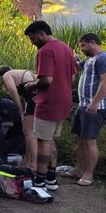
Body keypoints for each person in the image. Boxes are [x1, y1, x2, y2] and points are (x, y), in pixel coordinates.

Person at [21, 21, 77, 190]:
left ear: (41, 34)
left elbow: (46, 80)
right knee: (51, 139)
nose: (32, 43)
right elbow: (72, 78)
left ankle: (39, 181)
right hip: (64, 100)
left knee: (43, 142)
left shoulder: (45, 50)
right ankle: (51, 179)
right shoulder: (67, 48)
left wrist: (30, 85)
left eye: (32, 38)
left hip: (48, 101)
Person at [63, 33, 106, 186]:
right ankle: (79, 169)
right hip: (84, 105)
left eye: (83, 45)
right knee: (81, 139)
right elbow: (76, 67)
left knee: (89, 140)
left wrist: (95, 103)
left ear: (92, 42)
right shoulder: (90, 59)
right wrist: (72, 57)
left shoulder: (103, 58)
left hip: (95, 107)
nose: (82, 49)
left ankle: (88, 174)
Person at [0, 66, 38, 170]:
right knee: (27, 130)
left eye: (0, 79)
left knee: (29, 132)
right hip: (36, 98)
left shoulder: (7, 75)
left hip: (33, 98)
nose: (1, 82)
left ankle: (33, 163)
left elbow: (13, 91)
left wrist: (20, 110)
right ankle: (27, 160)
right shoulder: (21, 74)